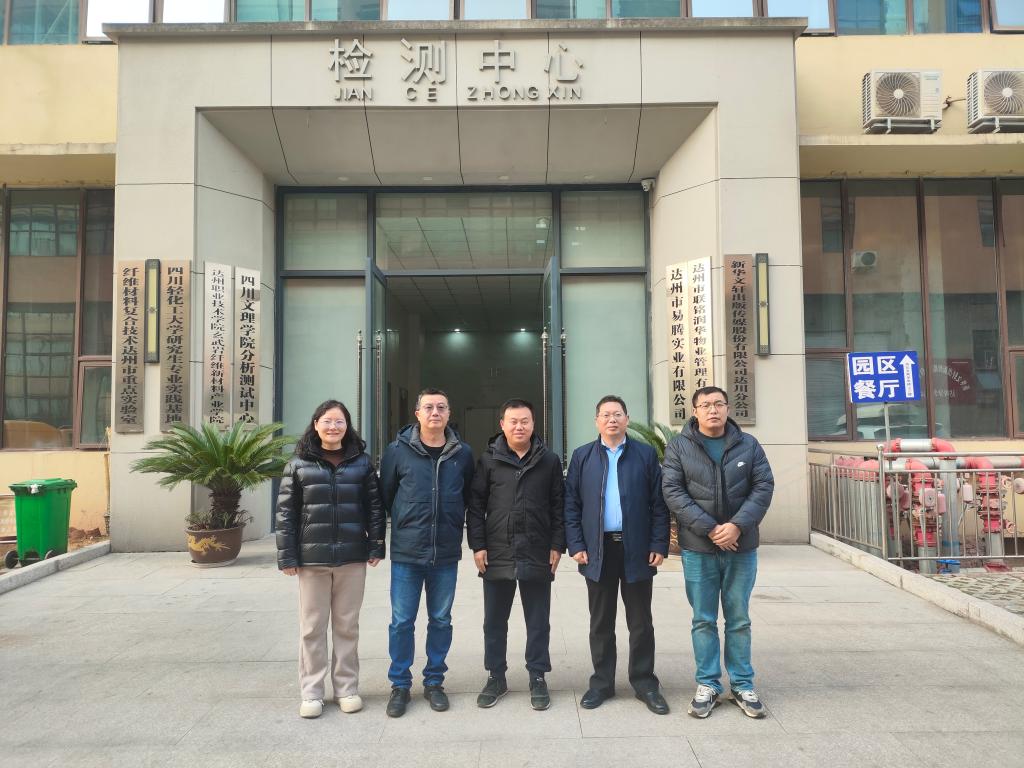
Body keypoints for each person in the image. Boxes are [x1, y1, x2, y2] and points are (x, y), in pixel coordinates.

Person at [662, 385, 774, 720]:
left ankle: (742, 684)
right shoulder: (679, 446)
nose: (713, 410)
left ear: (727, 408)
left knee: (739, 619)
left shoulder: (748, 445)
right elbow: (672, 490)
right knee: (703, 618)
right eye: (706, 405)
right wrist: (710, 528)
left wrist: (737, 525)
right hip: (699, 548)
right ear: (694, 411)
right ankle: (708, 684)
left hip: (741, 547)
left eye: (719, 404)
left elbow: (763, 486)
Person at [275, 399, 385, 719]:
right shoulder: (298, 465)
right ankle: (311, 692)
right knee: (312, 627)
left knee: (347, 626)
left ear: (347, 426)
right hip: (312, 559)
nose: (333, 427)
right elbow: (286, 514)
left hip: (352, 557)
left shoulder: (362, 464)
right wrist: (287, 556)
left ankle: (346, 688)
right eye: (327, 421)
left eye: (339, 422)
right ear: (316, 425)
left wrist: (376, 545)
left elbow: (375, 508)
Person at [564, 395, 671, 715]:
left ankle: (645, 682)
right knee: (600, 622)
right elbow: (571, 505)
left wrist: (658, 544)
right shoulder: (582, 456)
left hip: (636, 548)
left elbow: (659, 504)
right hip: (598, 550)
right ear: (596, 421)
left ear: (627, 418)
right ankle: (601, 684)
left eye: (618, 414)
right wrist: (576, 544)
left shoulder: (645, 455)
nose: (612, 419)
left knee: (641, 621)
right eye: (606, 414)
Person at [380, 388, 474, 717]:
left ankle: (434, 682)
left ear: (449, 414)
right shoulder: (397, 451)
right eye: (429, 407)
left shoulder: (462, 453)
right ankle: (400, 685)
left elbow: (469, 497)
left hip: (445, 552)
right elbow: (386, 496)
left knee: (441, 620)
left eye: (441, 407)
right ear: (417, 414)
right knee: (401, 622)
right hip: (407, 552)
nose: (435, 412)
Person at [466, 398, 565, 711]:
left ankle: (537, 676)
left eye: (525, 421)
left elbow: (559, 506)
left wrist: (557, 545)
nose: (519, 426)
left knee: (538, 620)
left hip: (537, 549)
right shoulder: (488, 460)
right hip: (497, 550)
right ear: (502, 425)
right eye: (513, 421)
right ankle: (496, 676)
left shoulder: (549, 461)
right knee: (494, 621)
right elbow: (476, 506)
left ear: (533, 424)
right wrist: (478, 545)